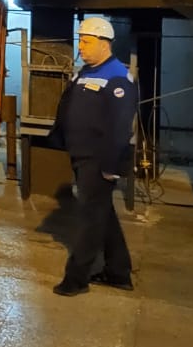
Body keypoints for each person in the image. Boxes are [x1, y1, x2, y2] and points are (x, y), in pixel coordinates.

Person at [46, 16, 136, 296]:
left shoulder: (117, 77)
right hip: (81, 155)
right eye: (80, 41)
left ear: (104, 43)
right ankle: (119, 272)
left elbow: (120, 127)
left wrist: (111, 166)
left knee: (90, 220)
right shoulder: (85, 73)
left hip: (99, 160)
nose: (80, 46)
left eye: (86, 41)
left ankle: (76, 279)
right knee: (102, 213)